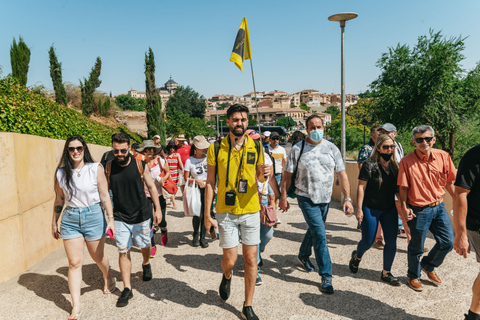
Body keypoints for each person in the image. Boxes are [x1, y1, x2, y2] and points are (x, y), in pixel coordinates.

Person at [204, 104, 270, 320]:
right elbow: (210, 182)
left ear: (247, 122)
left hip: (251, 209)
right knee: (230, 260)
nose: (239, 123)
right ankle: (227, 274)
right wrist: (207, 214)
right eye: (235, 120)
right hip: (225, 211)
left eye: (242, 119)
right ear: (228, 122)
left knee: (251, 260)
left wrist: (264, 174)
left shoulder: (257, 146)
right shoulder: (216, 148)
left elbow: (260, 180)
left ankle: (247, 305)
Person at [279, 114, 354, 294]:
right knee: (320, 235)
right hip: (306, 197)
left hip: (325, 198)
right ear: (307, 129)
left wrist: (348, 198)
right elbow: (287, 176)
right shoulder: (298, 149)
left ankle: (303, 255)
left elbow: (342, 174)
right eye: (312, 127)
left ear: (323, 128)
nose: (316, 130)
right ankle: (326, 276)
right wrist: (283, 197)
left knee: (314, 230)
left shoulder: (332, 148)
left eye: (319, 126)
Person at [52, 135, 116, 320]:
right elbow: (59, 199)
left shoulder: (95, 168)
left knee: (98, 256)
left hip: (94, 215)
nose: (75, 152)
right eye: (71, 149)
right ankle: (76, 307)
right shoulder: (61, 173)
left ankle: (107, 275)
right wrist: (54, 222)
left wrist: (110, 219)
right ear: (67, 151)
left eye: (79, 148)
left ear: (84, 148)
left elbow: (105, 196)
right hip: (70, 218)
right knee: (74, 263)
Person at [106, 133, 162, 307]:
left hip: (141, 214)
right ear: (112, 149)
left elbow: (152, 187)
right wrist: (109, 217)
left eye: (123, 150)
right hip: (120, 216)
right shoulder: (108, 167)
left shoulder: (139, 164)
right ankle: (127, 288)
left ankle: (145, 263)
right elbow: (104, 193)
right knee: (123, 250)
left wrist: (158, 209)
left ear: (130, 148)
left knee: (144, 244)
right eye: (116, 151)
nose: (120, 154)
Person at [398, 125, 456, 292]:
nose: (424, 142)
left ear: (434, 139)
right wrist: (404, 207)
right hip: (418, 210)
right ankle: (413, 275)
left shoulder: (443, 156)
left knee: (447, 242)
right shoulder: (406, 161)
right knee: (416, 246)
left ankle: (428, 265)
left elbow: (450, 182)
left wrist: (459, 202)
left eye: (428, 139)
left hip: (439, 206)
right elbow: (402, 187)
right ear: (414, 142)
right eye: (420, 140)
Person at [349, 134, 401, 286]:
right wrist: (359, 210)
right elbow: (361, 187)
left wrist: (405, 206)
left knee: (391, 241)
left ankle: (386, 273)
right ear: (378, 148)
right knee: (368, 240)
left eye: (392, 147)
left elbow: (398, 189)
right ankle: (357, 257)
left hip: (389, 209)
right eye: (386, 147)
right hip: (370, 208)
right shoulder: (369, 164)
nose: (389, 150)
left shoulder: (395, 166)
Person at [248, 130, 279, 286]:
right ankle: (256, 268)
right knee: (253, 236)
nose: (255, 143)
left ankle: (257, 254)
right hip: (249, 200)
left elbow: (271, 179)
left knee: (267, 234)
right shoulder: (242, 157)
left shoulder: (266, 157)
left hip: (265, 199)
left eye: (257, 140)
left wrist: (277, 198)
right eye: (252, 140)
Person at [452, 144, 480, 320]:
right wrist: (460, 234)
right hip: (477, 223)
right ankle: (473, 316)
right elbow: (460, 193)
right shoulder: (474, 156)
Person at [137, 140, 170, 256]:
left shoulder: (160, 161)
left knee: (161, 220)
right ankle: (153, 246)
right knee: (149, 222)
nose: (150, 154)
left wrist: (163, 179)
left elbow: (168, 172)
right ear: (144, 153)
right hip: (146, 196)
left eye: (152, 151)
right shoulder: (140, 164)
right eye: (147, 151)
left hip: (160, 195)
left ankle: (164, 230)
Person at [379, 123, 407, 239]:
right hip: (384, 185)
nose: (384, 135)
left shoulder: (399, 146)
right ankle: (379, 238)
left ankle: (413, 242)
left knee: (404, 212)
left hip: (397, 184)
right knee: (381, 212)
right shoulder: (379, 146)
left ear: (394, 134)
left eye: (387, 132)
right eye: (382, 133)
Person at [357, 125, 383, 247]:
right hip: (369, 186)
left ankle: (378, 237)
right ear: (373, 135)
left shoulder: (384, 148)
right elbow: (361, 167)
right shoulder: (366, 148)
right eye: (379, 134)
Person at [184, 136, 210, 248]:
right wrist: (196, 181)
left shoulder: (209, 158)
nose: (204, 149)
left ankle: (203, 237)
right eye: (202, 147)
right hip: (196, 189)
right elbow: (186, 178)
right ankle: (195, 234)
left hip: (208, 188)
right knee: (197, 214)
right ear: (195, 148)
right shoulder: (189, 161)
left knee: (206, 213)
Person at [267, 131, 286, 224]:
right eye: (273, 138)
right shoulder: (266, 150)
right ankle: (273, 217)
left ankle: (273, 214)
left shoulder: (282, 150)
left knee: (276, 197)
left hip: (279, 175)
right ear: (270, 139)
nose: (275, 140)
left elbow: (285, 162)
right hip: (270, 176)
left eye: (277, 138)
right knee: (271, 196)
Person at [166, 140, 184, 209]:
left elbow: (180, 163)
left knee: (175, 188)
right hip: (169, 174)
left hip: (176, 174)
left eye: (173, 148)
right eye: (171, 147)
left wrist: (182, 169)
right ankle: (174, 203)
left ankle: (171, 199)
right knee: (172, 188)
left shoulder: (177, 155)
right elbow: (166, 166)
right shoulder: (166, 156)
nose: (172, 149)